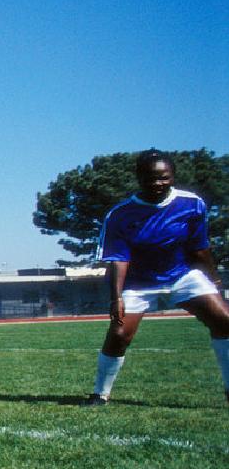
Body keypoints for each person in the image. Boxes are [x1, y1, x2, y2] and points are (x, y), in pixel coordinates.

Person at [86, 150, 229, 406]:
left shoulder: (192, 204)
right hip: (138, 284)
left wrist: (214, 279)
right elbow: (119, 260)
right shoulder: (120, 214)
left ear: (173, 176)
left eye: (164, 177)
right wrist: (116, 298)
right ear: (139, 178)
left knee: (224, 320)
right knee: (120, 333)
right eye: (150, 178)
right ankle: (100, 393)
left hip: (182, 275)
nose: (157, 183)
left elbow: (200, 248)